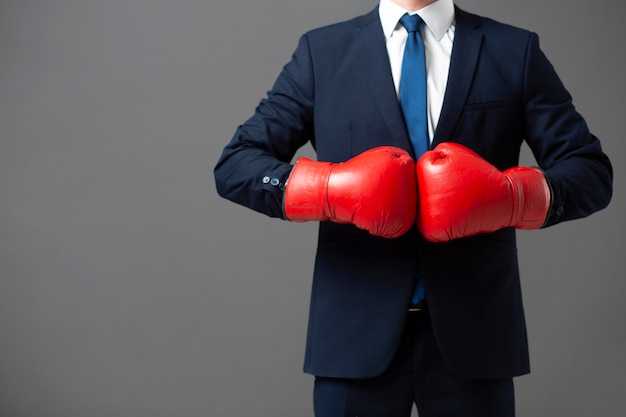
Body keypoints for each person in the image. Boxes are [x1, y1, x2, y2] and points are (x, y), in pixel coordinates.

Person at [214, 0, 613, 415]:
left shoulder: (513, 50)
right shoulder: (322, 52)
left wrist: (511, 196)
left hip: (476, 338)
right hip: (353, 337)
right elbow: (237, 164)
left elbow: (590, 173)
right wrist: (330, 189)